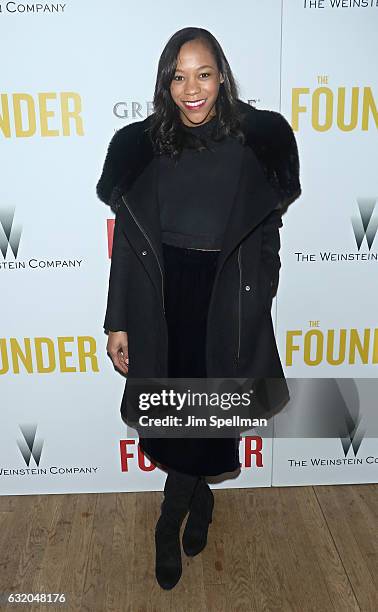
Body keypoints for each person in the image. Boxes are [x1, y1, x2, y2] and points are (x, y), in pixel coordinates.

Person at [96, 27, 301, 590]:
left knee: (209, 425)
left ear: (221, 78)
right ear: (166, 82)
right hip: (162, 301)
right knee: (173, 421)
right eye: (179, 76)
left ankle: (173, 515)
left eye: (204, 74)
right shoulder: (143, 148)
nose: (192, 88)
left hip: (225, 301)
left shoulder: (256, 143)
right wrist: (117, 319)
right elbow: (128, 247)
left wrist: (259, 290)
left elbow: (267, 235)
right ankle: (191, 505)